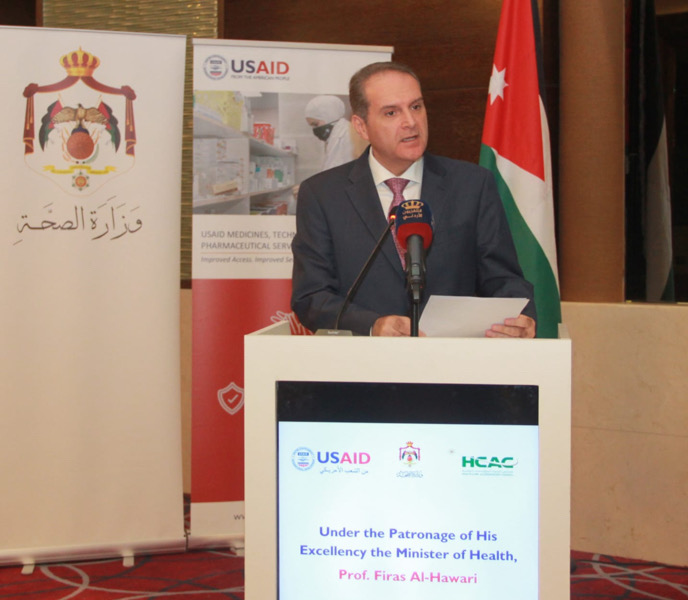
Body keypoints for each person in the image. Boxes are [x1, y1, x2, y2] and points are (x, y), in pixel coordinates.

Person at [291, 62, 536, 338]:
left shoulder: (472, 185)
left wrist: (521, 316)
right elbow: (311, 296)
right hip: (364, 361)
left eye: (416, 107)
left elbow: (503, 279)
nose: (410, 122)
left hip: (452, 359)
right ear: (361, 126)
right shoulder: (323, 195)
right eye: (391, 112)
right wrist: (372, 325)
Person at [304, 95, 357, 171]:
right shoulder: (333, 138)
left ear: (328, 117)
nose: (314, 129)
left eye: (315, 124)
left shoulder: (348, 135)